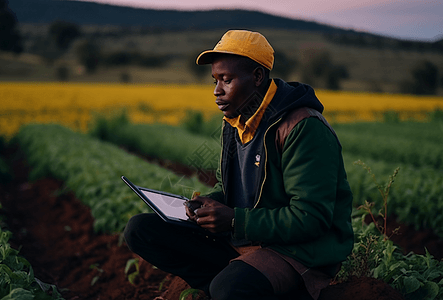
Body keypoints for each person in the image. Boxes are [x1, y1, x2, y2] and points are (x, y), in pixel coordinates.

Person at [124, 30, 354, 300]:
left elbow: (311, 218)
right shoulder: (236, 121)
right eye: (215, 80)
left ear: (257, 77)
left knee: (230, 288)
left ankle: (239, 287)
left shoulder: (302, 128)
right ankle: (232, 284)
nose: (217, 91)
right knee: (141, 230)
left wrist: (235, 220)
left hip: (297, 254)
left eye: (227, 80)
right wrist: (204, 206)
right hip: (245, 241)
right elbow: (230, 188)